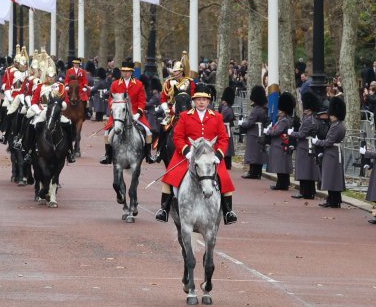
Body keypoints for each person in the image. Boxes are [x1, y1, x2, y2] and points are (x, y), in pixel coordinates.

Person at [155, 90, 237, 224]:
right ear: (193, 101)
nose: (201, 102)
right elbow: (178, 137)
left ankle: (228, 212)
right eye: (198, 99)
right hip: (187, 154)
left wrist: (218, 155)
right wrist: (186, 152)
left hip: (210, 155)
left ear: (208, 101)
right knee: (170, 177)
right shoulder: (184, 116)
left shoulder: (217, 117)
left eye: (204, 99)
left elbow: (223, 138)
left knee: (225, 178)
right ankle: (164, 209)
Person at [100, 59, 152, 164]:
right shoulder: (115, 84)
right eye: (123, 71)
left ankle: (148, 155)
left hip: (135, 114)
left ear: (131, 72)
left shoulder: (139, 84)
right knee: (106, 132)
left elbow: (142, 101)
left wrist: (138, 113)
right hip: (119, 114)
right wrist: (113, 109)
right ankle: (108, 155)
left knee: (148, 131)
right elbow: (111, 99)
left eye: (127, 71)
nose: (125, 73)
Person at [314, 97, 346, 208]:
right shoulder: (339, 125)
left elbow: (328, 142)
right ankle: (334, 200)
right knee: (334, 178)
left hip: (332, 153)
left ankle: (333, 200)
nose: (330, 117)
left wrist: (317, 141)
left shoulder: (335, 127)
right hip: (334, 153)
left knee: (331, 178)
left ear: (335, 115)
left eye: (331, 115)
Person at [237, 85, 270, 179]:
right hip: (260, 131)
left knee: (252, 153)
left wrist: (242, 123)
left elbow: (250, 123)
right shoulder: (264, 108)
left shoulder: (256, 110)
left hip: (254, 133)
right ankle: (258, 173)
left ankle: (252, 173)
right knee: (259, 154)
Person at [266, 92, 295, 191]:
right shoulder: (283, 119)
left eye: (281, 111)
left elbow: (276, 131)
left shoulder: (284, 121)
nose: (279, 112)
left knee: (281, 166)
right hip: (281, 144)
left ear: (284, 111)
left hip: (280, 144)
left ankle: (281, 184)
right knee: (283, 165)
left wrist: (268, 131)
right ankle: (284, 183)